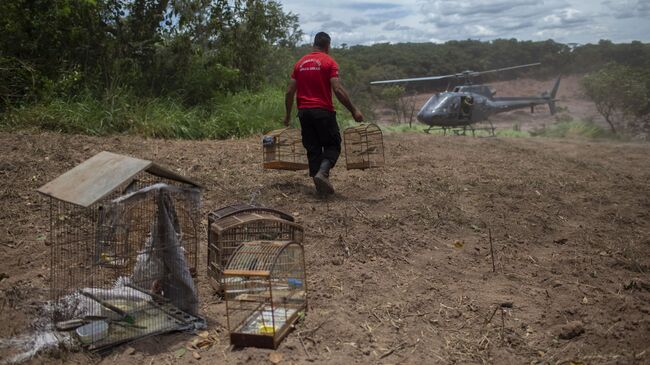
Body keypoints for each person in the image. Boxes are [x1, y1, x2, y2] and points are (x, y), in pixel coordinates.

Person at [283, 31, 364, 196]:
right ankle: (323, 173)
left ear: (314, 44)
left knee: (313, 148)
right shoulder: (329, 62)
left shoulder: (300, 63)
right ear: (327, 46)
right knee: (333, 144)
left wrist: (287, 115)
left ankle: (320, 186)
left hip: (304, 113)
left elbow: (289, 92)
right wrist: (354, 110)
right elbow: (338, 89)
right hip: (323, 112)